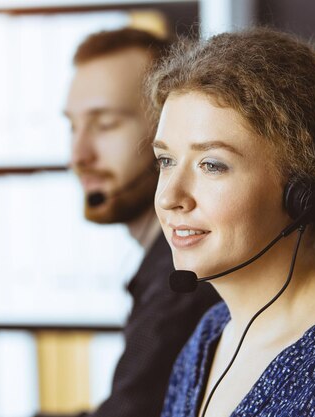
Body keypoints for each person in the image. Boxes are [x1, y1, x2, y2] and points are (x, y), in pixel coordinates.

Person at [149, 27, 315, 417]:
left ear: (302, 193)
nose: (168, 198)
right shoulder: (211, 335)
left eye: (211, 164)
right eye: (166, 160)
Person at [59, 27, 220, 417]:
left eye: (105, 123)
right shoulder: (163, 266)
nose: (78, 154)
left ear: (168, 132)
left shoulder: (182, 279)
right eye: (73, 126)